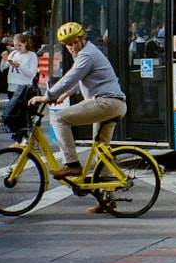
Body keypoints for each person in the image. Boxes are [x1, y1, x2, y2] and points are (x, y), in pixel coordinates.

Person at [28, 22, 127, 213]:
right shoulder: (88, 53)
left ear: (82, 39)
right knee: (102, 151)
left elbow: (70, 77)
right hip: (115, 103)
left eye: (74, 42)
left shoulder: (87, 54)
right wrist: (66, 94)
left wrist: (47, 96)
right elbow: (80, 79)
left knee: (59, 118)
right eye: (67, 45)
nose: (72, 47)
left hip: (106, 102)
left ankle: (72, 164)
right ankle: (107, 200)